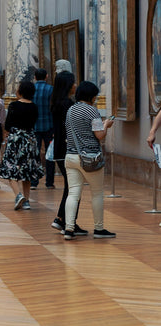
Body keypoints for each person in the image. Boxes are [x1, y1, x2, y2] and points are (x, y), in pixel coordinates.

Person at [63, 81, 116, 240]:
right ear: (92, 96)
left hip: (71, 156)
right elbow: (99, 135)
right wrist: (107, 124)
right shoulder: (92, 111)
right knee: (97, 193)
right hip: (90, 157)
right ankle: (99, 229)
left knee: (73, 194)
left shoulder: (70, 110)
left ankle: (69, 228)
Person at [49, 70, 86, 236]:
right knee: (74, 187)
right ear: (67, 86)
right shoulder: (68, 105)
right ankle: (65, 221)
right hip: (68, 149)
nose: (75, 85)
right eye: (73, 82)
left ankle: (63, 219)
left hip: (59, 148)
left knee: (70, 186)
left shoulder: (57, 102)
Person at [0, 79, 43, 210]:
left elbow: (7, 125)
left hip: (16, 140)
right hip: (29, 140)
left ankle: (18, 195)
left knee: (11, 168)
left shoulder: (13, 105)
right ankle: (27, 201)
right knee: (27, 171)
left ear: (20, 91)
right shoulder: (34, 107)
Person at [32, 68, 55, 189]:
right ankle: (49, 182)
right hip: (48, 125)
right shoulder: (51, 89)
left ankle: (34, 182)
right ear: (46, 76)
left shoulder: (31, 90)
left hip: (34, 126)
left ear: (35, 77)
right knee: (49, 154)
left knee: (35, 154)